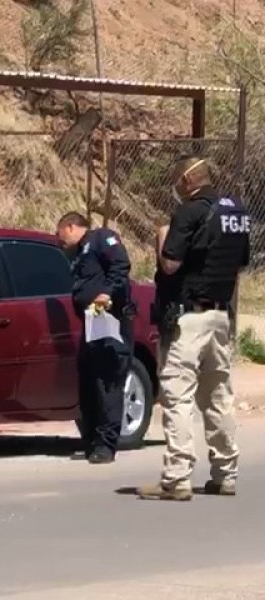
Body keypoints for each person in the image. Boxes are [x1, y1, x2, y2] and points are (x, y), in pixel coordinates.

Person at [137, 156, 250, 502]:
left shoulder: (189, 212)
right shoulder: (236, 212)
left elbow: (170, 264)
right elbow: (241, 263)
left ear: (187, 181)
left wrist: (161, 240)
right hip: (220, 316)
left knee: (178, 396)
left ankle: (177, 478)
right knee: (218, 396)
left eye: (176, 180)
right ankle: (225, 474)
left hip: (188, 317)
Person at [56, 212, 133, 464]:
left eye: (60, 235)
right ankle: (91, 441)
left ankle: (107, 445)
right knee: (88, 382)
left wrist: (106, 293)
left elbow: (120, 265)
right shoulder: (79, 254)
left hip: (110, 322)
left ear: (69, 227)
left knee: (107, 383)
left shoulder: (101, 238)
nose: (59, 242)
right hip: (92, 324)